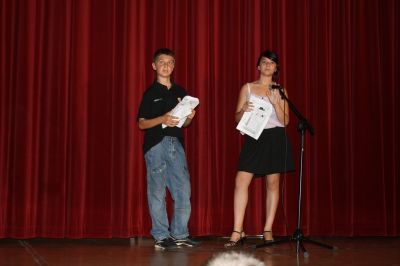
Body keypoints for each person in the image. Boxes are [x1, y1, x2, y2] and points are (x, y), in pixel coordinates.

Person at [225, 50, 295, 248]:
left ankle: (268, 229)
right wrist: (243, 110)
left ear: (276, 68)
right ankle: (237, 231)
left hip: (275, 137)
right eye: (264, 62)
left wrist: (276, 103)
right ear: (258, 66)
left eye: (272, 63)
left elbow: (286, 121)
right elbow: (236, 118)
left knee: (272, 183)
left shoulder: (280, 90)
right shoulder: (247, 88)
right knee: (241, 181)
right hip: (254, 136)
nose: (267, 65)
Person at [137, 48, 198, 250]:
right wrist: (162, 119)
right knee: (157, 191)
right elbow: (141, 124)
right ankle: (161, 236)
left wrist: (189, 118)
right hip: (155, 145)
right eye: (162, 62)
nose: (166, 66)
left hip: (176, 144)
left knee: (183, 190)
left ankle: (180, 233)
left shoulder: (181, 92)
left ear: (174, 66)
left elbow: (185, 125)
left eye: (170, 62)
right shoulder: (150, 93)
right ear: (154, 66)